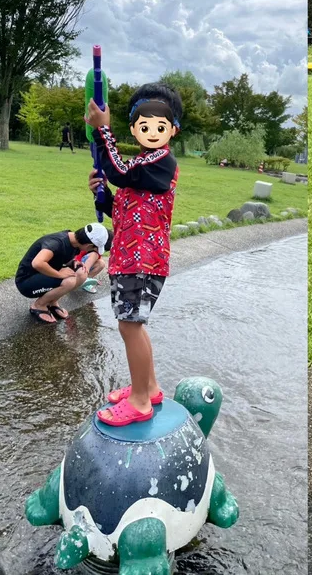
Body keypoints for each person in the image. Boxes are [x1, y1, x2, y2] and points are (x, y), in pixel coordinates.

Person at [86, 82, 182, 427]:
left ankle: (140, 401)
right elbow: (129, 209)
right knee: (132, 325)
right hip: (129, 257)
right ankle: (149, 388)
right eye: (143, 121)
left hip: (144, 260)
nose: (151, 128)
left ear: (173, 129)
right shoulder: (143, 162)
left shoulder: (161, 160)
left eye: (159, 123)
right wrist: (105, 197)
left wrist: (102, 131)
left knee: (130, 325)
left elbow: (120, 172)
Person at [15, 223, 110, 323]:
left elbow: (59, 257)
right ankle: (39, 305)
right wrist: (59, 274)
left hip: (42, 275)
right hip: (26, 281)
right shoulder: (56, 243)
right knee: (69, 281)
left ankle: (52, 302)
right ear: (89, 245)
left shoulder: (74, 242)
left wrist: (72, 263)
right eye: (94, 249)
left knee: (82, 273)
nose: (93, 251)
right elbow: (37, 263)